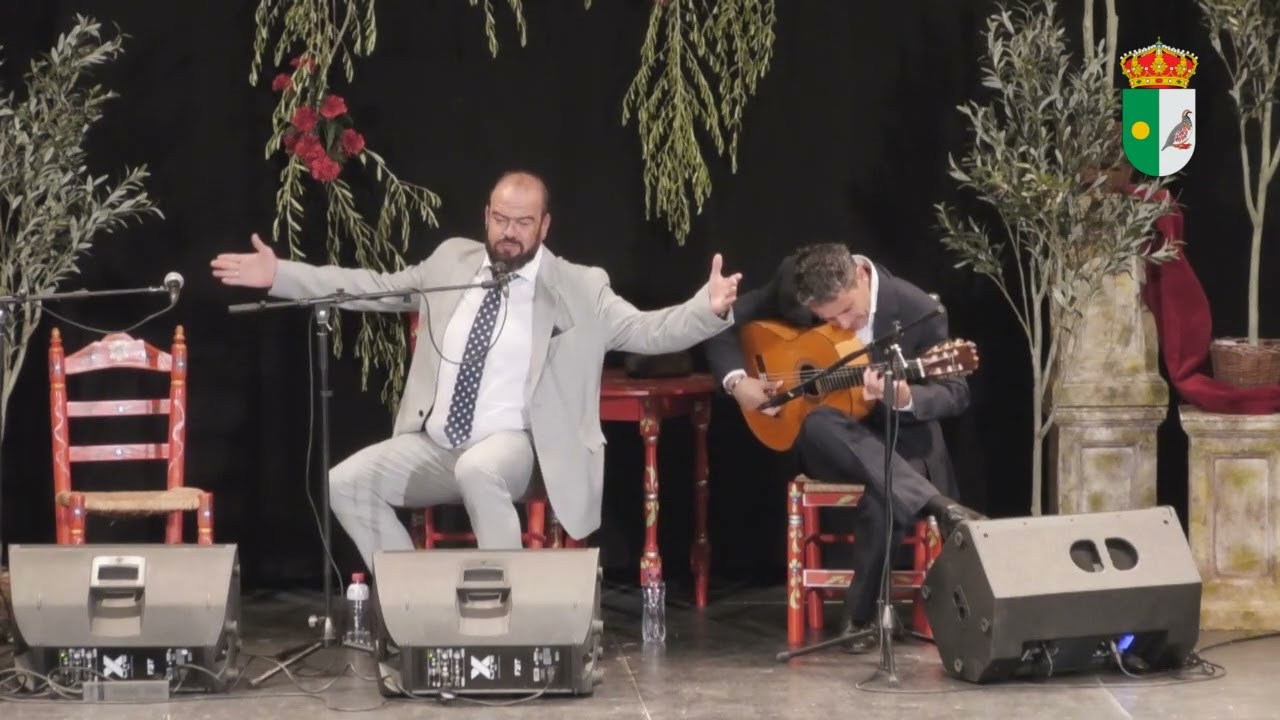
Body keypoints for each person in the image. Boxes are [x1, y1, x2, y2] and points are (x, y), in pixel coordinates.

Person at [211, 170, 742, 571]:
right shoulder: (451, 262)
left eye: (523, 223)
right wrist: (280, 274)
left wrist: (708, 310)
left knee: (479, 469)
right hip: (439, 442)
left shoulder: (579, 286)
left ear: (545, 225)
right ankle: (415, 605)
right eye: (500, 219)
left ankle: (506, 614)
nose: (509, 233)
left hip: (521, 448)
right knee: (344, 481)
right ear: (486, 214)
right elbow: (371, 285)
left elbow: (647, 332)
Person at [703, 242, 983, 652]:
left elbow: (954, 392)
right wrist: (736, 381)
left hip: (899, 437)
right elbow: (722, 320)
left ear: (861, 278)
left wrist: (905, 397)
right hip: (831, 442)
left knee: (886, 486)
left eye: (848, 313)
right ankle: (936, 503)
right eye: (826, 319)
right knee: (817, 421)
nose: (842, 325)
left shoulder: (917, 307)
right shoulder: (790, 280)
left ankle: (859, 617)